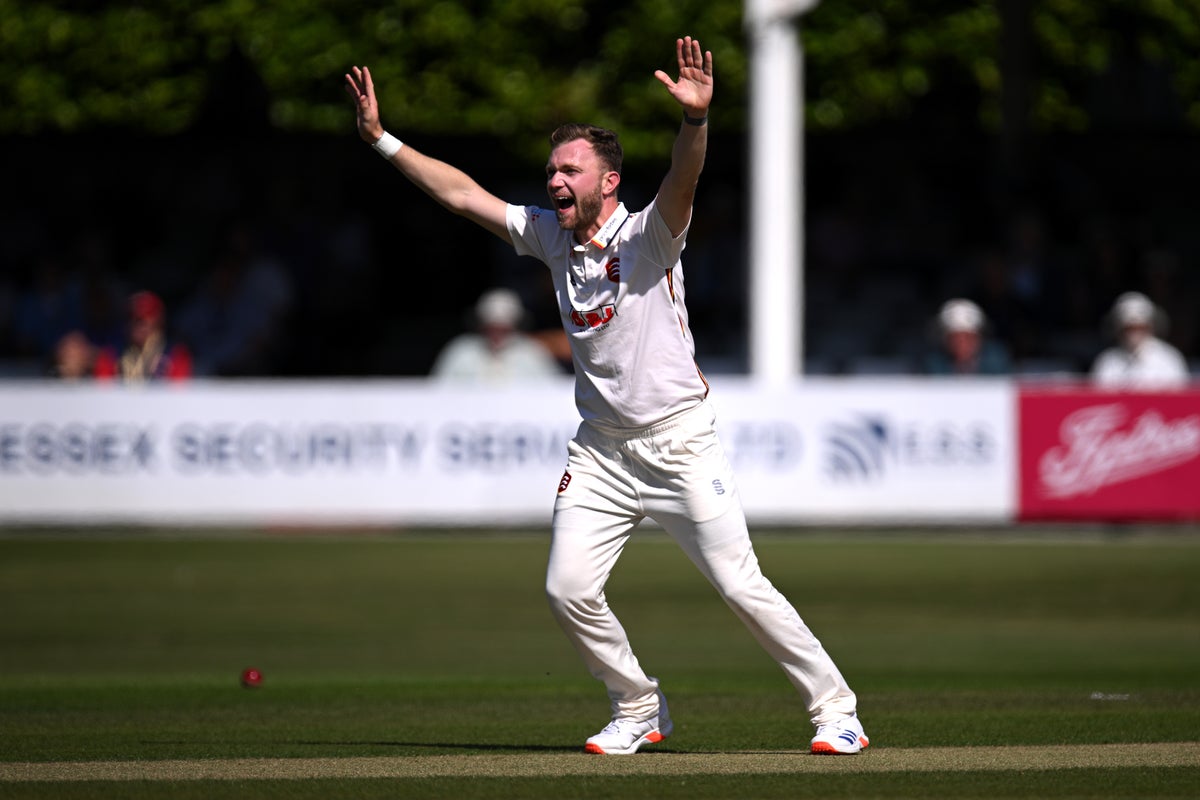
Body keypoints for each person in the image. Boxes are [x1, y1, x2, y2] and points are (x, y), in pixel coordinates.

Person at [345, 36, 867, 757]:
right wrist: (382, 140)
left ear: (609, 181)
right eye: (551, 170)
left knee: (742, 588)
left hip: (681, 441)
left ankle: (837, 709)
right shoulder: (549, 238)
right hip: (601, 452)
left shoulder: (649, 237)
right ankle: (638, 706)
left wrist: (695, 122)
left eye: (570, 169)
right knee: (567, 590)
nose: (554, 180)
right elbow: (464, 196)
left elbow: (684, 181)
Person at [430, 287, 563, 383]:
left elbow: (553, 390)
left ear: (514, 327)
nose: (497, 335)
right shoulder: (461, 352)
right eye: (491, 329)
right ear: (481, 326)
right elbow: (437, 392)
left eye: (504, 329)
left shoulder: (532, 352)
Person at [1091, 291, 1189, 389]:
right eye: (1128, 328)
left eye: (1140, 327)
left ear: (1150, 327)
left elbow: (1180, 398)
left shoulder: (1169, 359)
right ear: (1118, 329)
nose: (1134, 334)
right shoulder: (1107, 361)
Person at [94, 290, 192, 381]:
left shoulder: (176, 354)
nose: (138, 326)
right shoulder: (111, 354)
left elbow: (179, 393)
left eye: (144, 320)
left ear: (158, 322)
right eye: (132, 318)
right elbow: (103, 390)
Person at [923, 298, 1011, 376]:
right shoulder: (935, 364)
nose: (961, 344)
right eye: (955, 338)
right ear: (945, 340)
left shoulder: (996, 360)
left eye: (968, 337)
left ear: (979, 338)